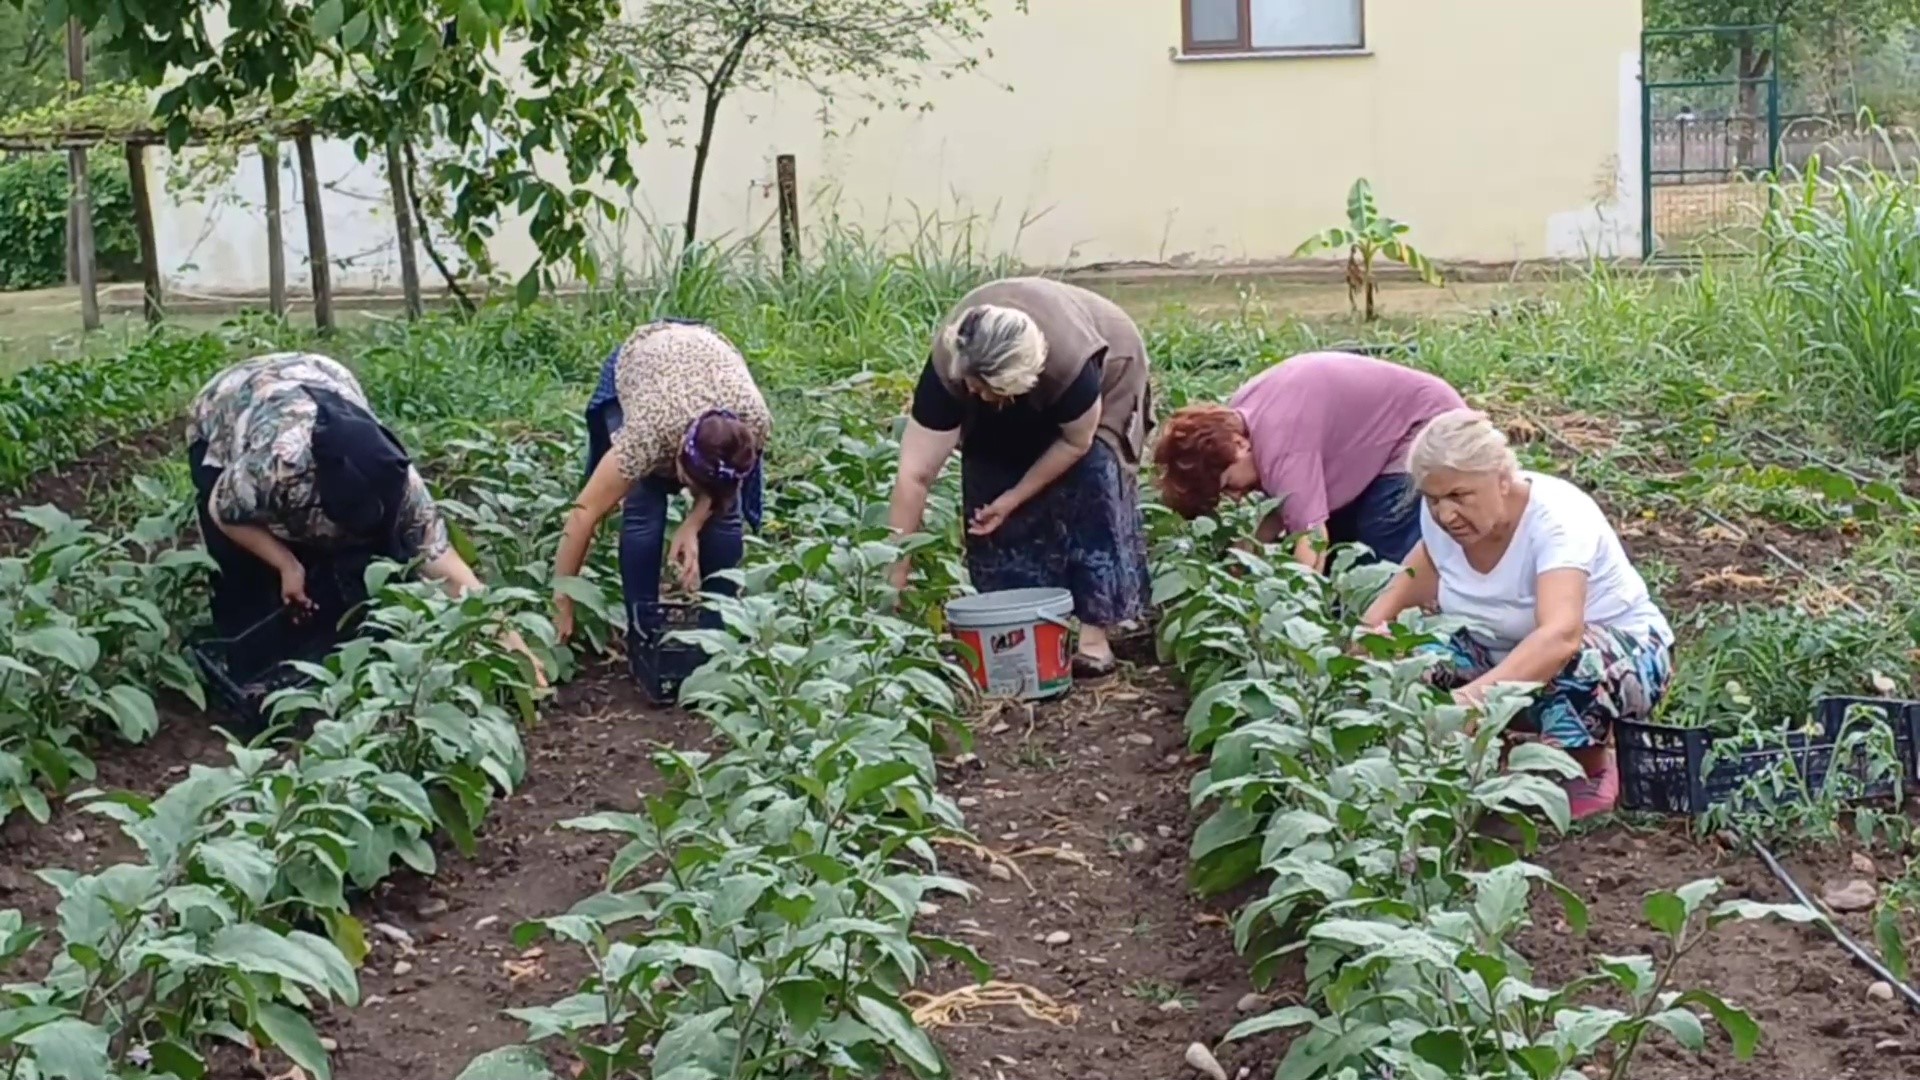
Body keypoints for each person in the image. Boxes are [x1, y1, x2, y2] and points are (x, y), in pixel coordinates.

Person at [1359, 409, 1674, 819]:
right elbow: (1418, 576)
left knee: (1578, 662)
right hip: (1501, 654)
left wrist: (1471, 701)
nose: (1444, 514)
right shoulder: (1443, 520)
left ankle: (1589, 768)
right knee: (1412, 650)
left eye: (1459, 496)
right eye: (1433, 499)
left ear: (1502, 479)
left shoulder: (1557, 520)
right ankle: (1503, 750)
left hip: (1622, 654)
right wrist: (1368, 641)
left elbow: (1560, 635)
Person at [187, 353, 539, 684]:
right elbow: (224, 513)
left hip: (320, 376)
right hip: (229, 404)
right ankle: (249, 671)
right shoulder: (275, 471)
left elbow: (446, 567)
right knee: (247, 578)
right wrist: (285, 564)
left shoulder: (399, 481)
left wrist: (515, 648)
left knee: (349, 566)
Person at [886, 276, 1153, 677]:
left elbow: (1074, 444)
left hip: (1108, 375)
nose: (980, 396)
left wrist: (1015, 497)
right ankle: (1016, 626)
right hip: (1007, 372)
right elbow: (913, 475)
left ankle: (1094, 638)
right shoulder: (949, 369)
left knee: (1093, 482)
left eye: (991, 391)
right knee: (988, 481)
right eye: (973, 387)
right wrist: (892, 581)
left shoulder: (1071, 367)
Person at [553, 320, 770, 647]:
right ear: (677, 456)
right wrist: (563, 600)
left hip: (709, 356)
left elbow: (723, 486)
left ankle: (720, 632)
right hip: (645, 359)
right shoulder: (648, 434)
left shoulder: (751, 425)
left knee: (726, 517)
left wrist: (694, 523)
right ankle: (643, 632)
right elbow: (583, 512)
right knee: (644, 503)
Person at [1153, 351, 1466, 568]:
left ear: (1238, 445)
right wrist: (1241, 561)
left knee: (1380, 543)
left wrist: (1299, 618)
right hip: (1379, 438)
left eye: (1227, 484)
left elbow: (1312, 541)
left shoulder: (1282, 445)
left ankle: (1397, 632)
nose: (1235, 496)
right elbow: (1284, 511)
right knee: (1344, 542)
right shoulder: (1242, 416)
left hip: (1426, 425)